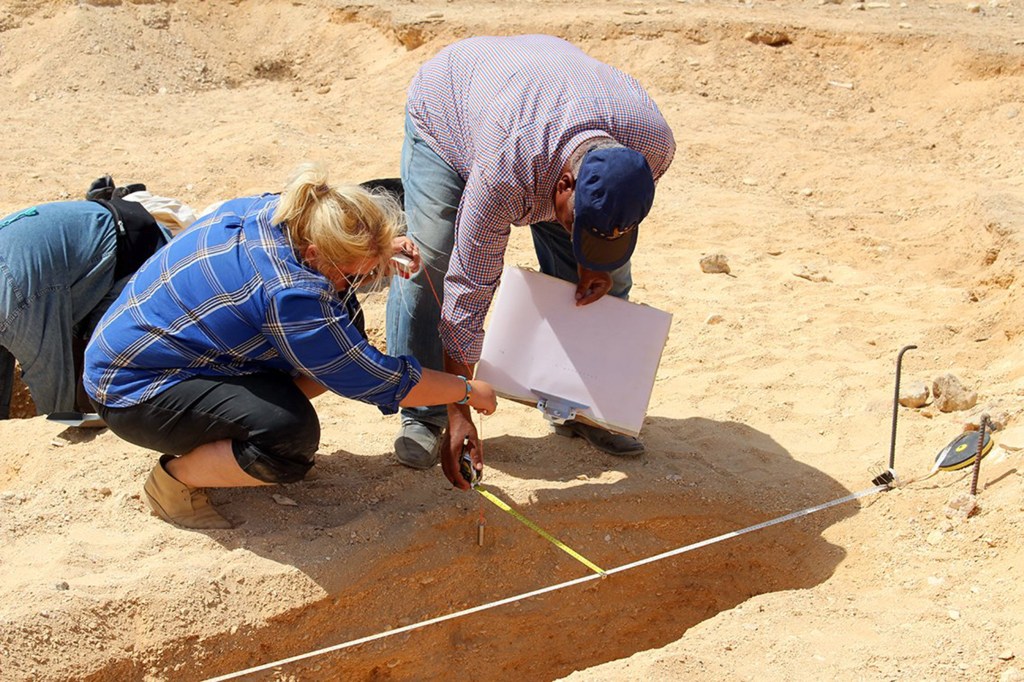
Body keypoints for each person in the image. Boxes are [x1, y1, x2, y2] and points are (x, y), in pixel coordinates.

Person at [84, 163, 498, 530]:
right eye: (353, 271)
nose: (364, 279)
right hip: (133, 391)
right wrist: (464, 389)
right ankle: (174, 481)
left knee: (343, 319)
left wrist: (373, 253)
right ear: (316, 253)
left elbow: (335, 320)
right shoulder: (291, 295)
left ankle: (238, 428)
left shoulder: (277, 212)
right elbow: (374, 378)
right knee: (288, 438)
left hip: (148, 347)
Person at [385, 34, 676, 483]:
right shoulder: (506, 170)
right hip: (451, 106)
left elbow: (611, 217)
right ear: (562, 185)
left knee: (608, 282)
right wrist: (461, 409)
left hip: (541, 94)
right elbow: (469, 292)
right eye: (579, 225)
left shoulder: (652, 146)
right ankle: (424, 411)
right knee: (434, 259)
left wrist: (595, 262)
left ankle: (577, 406)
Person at [0, 188, 168, 418]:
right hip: (75, 266)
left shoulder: (16, 305)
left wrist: (58, 424)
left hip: (132, 254)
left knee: (79, 397)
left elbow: (55, 398)